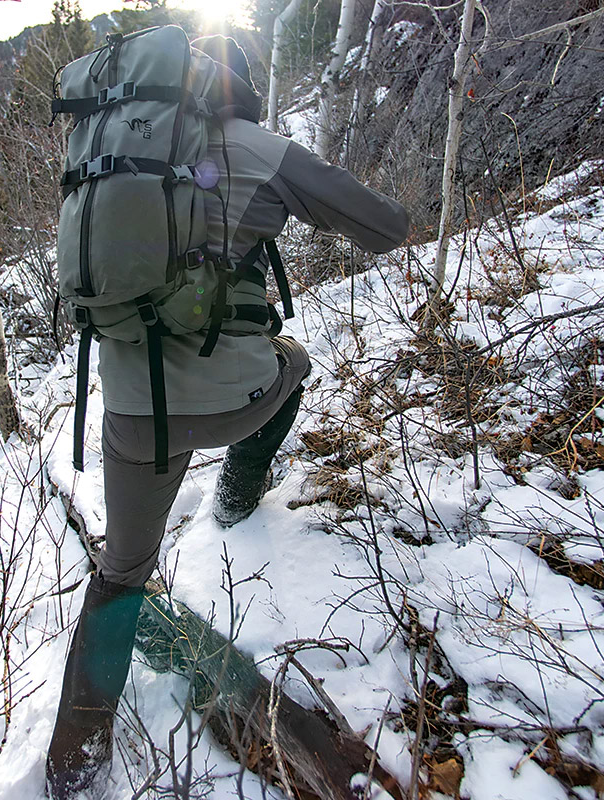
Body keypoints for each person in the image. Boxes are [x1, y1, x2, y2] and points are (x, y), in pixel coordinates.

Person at [45, 33, 409, 799]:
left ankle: (73, 768)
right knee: (296, 359)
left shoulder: (109, 160)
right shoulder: (257, 146)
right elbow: (385, 228)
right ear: (238, 89)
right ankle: (241, 491)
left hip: (134, 416)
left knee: (120, 575)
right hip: (234, 403)